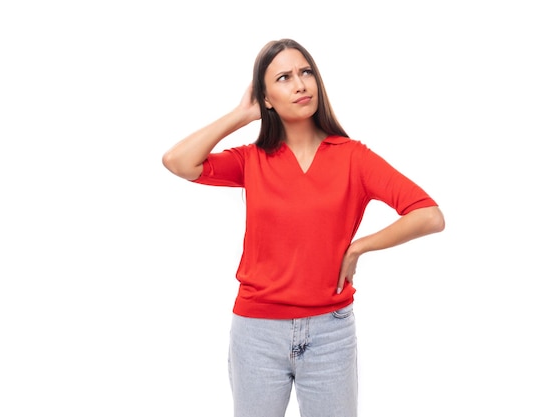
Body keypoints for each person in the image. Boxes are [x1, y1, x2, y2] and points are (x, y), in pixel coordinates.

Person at [162, 38, 445, 417]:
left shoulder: (353, 157)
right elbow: (177, 162)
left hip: (330, 332)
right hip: (257, 331)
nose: (300, 84)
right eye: (284, 78)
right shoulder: (252, 160)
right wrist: (241, 114)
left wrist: (360, 246)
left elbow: (428, 214)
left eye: (306, 72)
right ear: (266, 97)